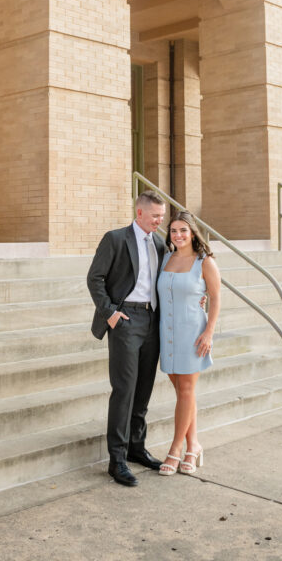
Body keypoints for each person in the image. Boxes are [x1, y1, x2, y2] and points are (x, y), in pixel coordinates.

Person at [87, 190, 167, 487]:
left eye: (162, 215)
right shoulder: (116, 239)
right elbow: (94, 278)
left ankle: (136, 447)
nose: (160, 220)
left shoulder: (160, 243)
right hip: (125, 320)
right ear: (140, 214)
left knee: (144, 389)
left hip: (152, 320)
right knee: (124, 390)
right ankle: (116, 459)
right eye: (156, 215)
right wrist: (110, 313)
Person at [157, 210, 221, 476]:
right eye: (173, 230)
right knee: (183, 392)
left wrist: (209, 332)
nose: (178, 235)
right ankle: (193, 446)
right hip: (167, 332)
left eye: (183, 230)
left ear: (193, 232)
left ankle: (175, 450)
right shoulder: (165, 259)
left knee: (186, 390)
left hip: (193, 332)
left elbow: (215, 298)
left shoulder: (204, 262)